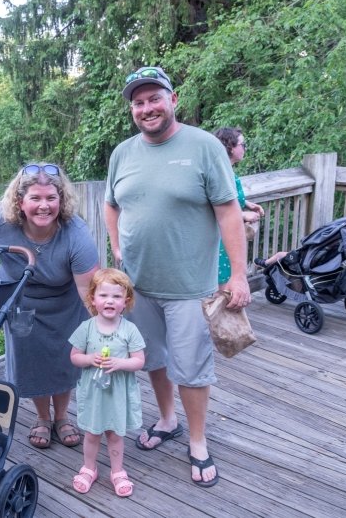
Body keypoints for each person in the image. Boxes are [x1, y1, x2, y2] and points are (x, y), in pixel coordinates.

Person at [104, 66, 251, 488]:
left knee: (192, 368)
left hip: (191, 286)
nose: (146, 108)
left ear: (173, 100)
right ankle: (167, 420)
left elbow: (228, 212)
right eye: (138, 102)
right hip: (138, 285)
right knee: (153, 359)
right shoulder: (123, 154)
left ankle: (199, 441)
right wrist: (116, 247)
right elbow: (111, 204)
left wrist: (238, 275)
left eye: (154, 98)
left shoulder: (204, 147)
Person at [0, 163, 99, 448]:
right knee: (31, 361)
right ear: (20, 202)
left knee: (65, 357)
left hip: (65, 301)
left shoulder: (77, 234)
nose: (44, 206)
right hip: (22, 300)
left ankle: (63, 417)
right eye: (36, 199)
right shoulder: (0, 220)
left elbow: (89, 294)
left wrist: (106, 335)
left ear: (61, 200)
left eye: (51, 198)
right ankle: (42, 418)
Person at [69, 268, 145, 497]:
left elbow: (140, 361)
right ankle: (89, 468)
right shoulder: (86, 328)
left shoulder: (129, 330)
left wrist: (121, 364)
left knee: (114, 434)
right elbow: (74, 357)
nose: (109, 301)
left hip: (117, 393)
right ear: (93, 299)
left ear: (126, 301)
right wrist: (90, 359)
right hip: (94, 392)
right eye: (103, 295)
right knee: (92, 433)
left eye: (116, 296)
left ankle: (117, 471)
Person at [213, 127, 265, 288]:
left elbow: (227, 197)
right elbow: (209, 204)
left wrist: (246, 203)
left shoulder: (227, 170)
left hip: (228, 237)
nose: (245, 148)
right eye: (243, 144)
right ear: (229, 147)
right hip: (219, 239)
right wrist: (242, 215)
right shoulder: (217, 171)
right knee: (222, 289)